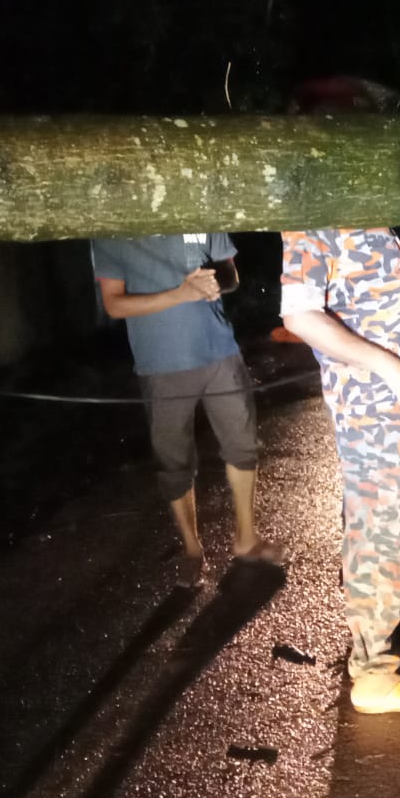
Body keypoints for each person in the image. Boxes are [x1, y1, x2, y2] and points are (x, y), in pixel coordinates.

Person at [278, 223, 400, 715]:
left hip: (391, 402)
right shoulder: (314, 214)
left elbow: (368, 284)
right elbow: (299, 314)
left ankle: (378, 651)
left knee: (387, 529)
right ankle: (374, 673)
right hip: (371, 403)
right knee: (381, 532)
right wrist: (388, 366)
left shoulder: (359, 212)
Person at [92, 232, 280, 589]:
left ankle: (247, 540)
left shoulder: (198, 211)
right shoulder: (114, 230)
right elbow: (114, 304)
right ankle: (192, 549)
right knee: (173, 458)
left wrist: (215, 285)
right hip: (160, 363)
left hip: (221, 351)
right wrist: (180, 293)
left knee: (243, 445)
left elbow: (230, 274)